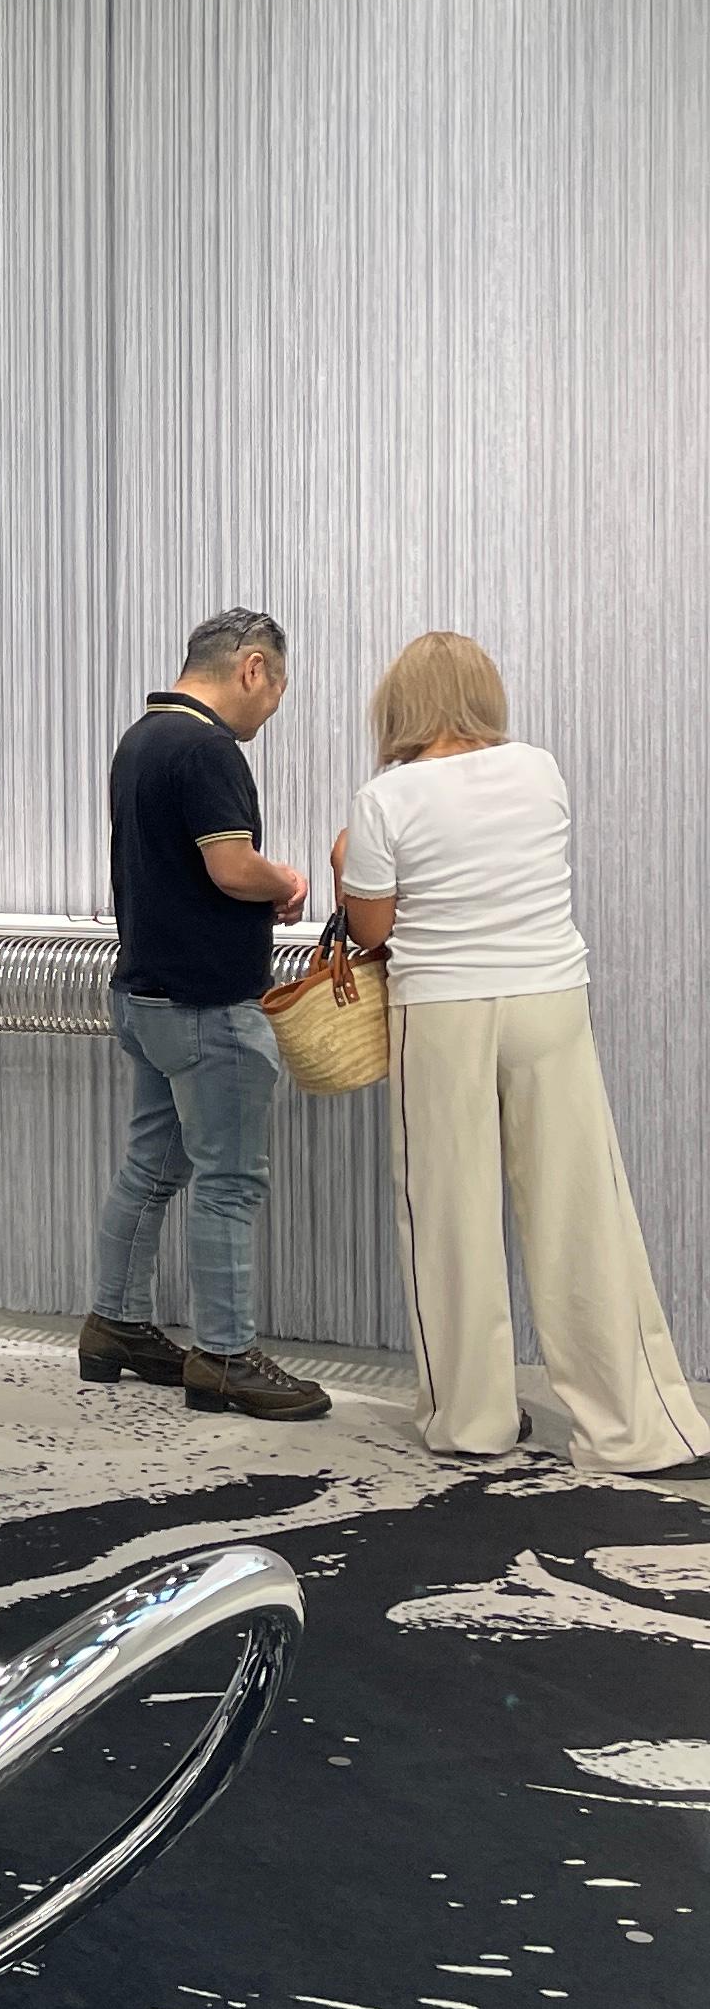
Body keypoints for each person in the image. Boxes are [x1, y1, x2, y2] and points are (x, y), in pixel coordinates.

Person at [336, 632, 703, 1475]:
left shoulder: (384, 798)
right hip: (548, 999)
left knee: (449, 1215)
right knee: (582, 1211)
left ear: (400, 705)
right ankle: (629, 1428)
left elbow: (372, 930)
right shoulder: (540, 770)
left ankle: (472, 1420)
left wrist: (345, 860)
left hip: (443, 1011)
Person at [83, 607, 329, 1421]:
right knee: (229, 1182)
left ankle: (115, 1325)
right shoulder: (207, 747)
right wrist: (286, 881)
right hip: (208, 1004)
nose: (272, 708)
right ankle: (224, 1356)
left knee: (150, 1169)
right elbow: (230, 867)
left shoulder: (141, 738)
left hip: (144, 994)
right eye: (277, 689)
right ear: (252, 668)